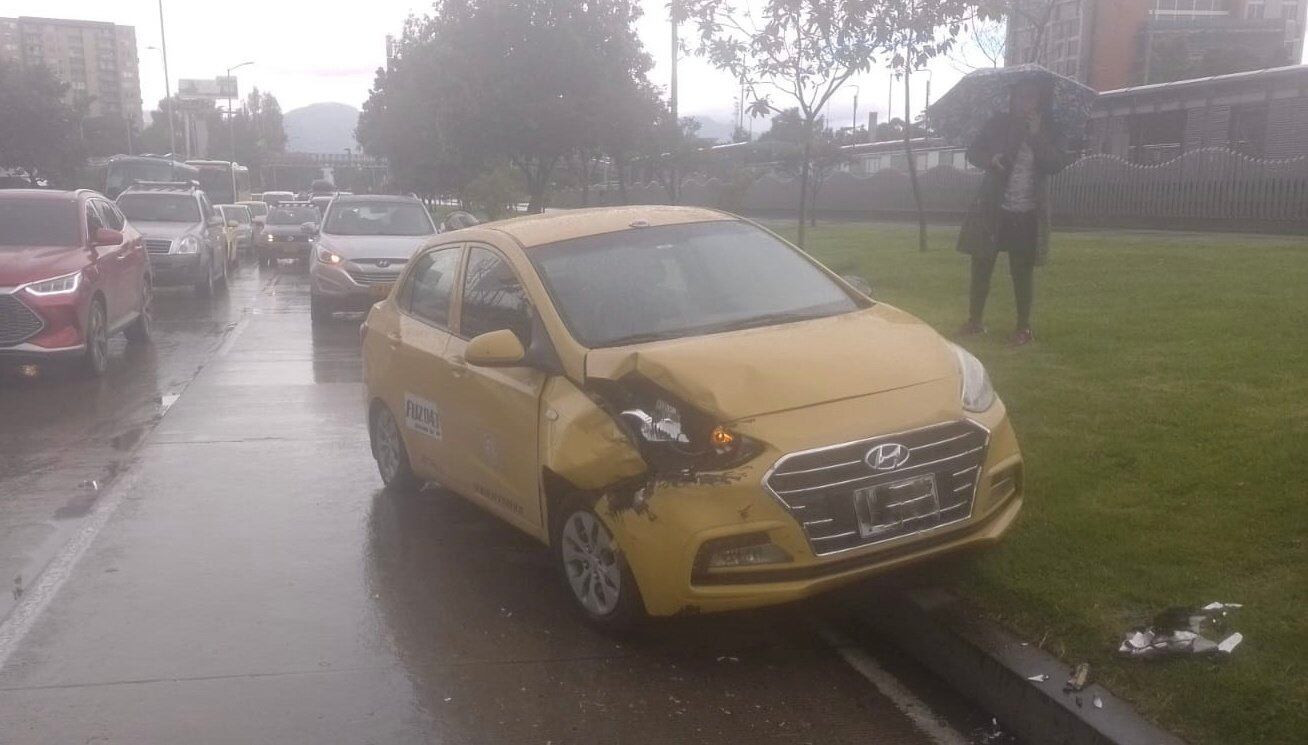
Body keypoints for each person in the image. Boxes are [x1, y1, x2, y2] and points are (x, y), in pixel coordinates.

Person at [957, 79, 1070, 346]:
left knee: (1022, 271)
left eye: (1030, 97)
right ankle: (975, 321)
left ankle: (1023, 327)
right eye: (1019, 97)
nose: (1024, 103)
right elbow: (973, 152)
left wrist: (1035, 135)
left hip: (1028, 212)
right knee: (981, 265)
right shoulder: (997, 124)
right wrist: (990, 159)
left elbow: (1055, 164)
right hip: (994, 209)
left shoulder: (1051, 128)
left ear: (1039, 100)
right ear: (1012, 98)